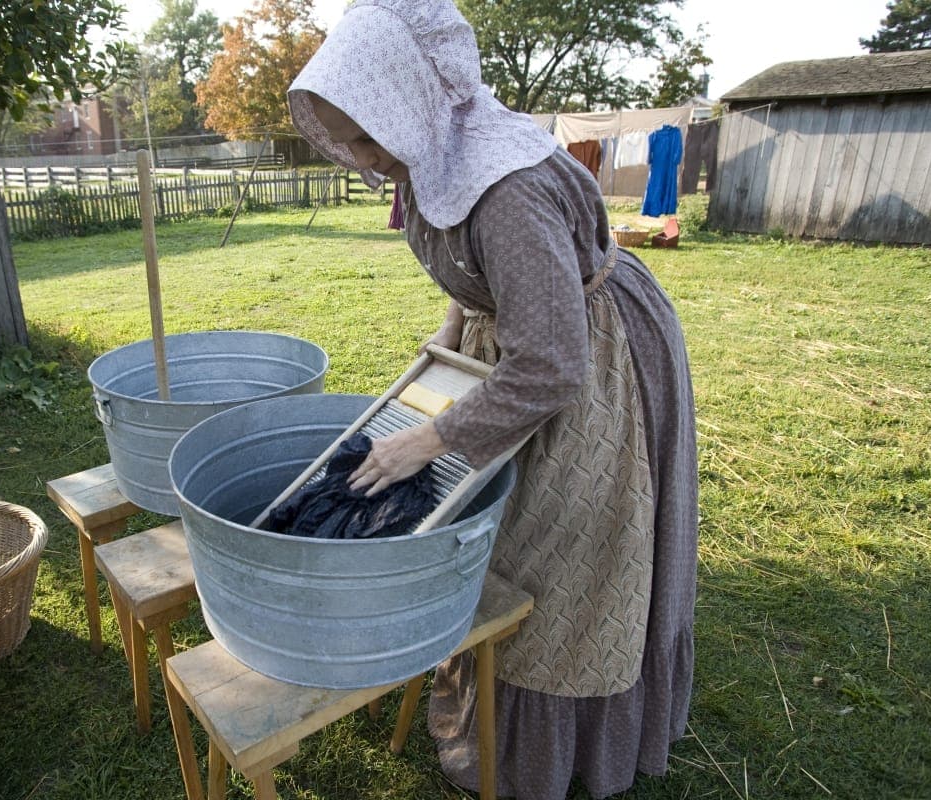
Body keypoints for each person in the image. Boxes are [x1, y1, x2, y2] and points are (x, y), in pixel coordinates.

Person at [286, 2, 699, 799]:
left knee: (559, 556)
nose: (364, 158)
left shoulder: (505, 190)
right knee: (498, 539)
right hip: (521, 338)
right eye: (349, 140)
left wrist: (430, 442)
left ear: (411, 104)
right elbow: (474, 275)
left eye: (370, 138)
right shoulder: (427, 158)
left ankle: (551, 748)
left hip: (590, 360)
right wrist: (450, 339)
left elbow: (549, 366)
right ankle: (483, 700)